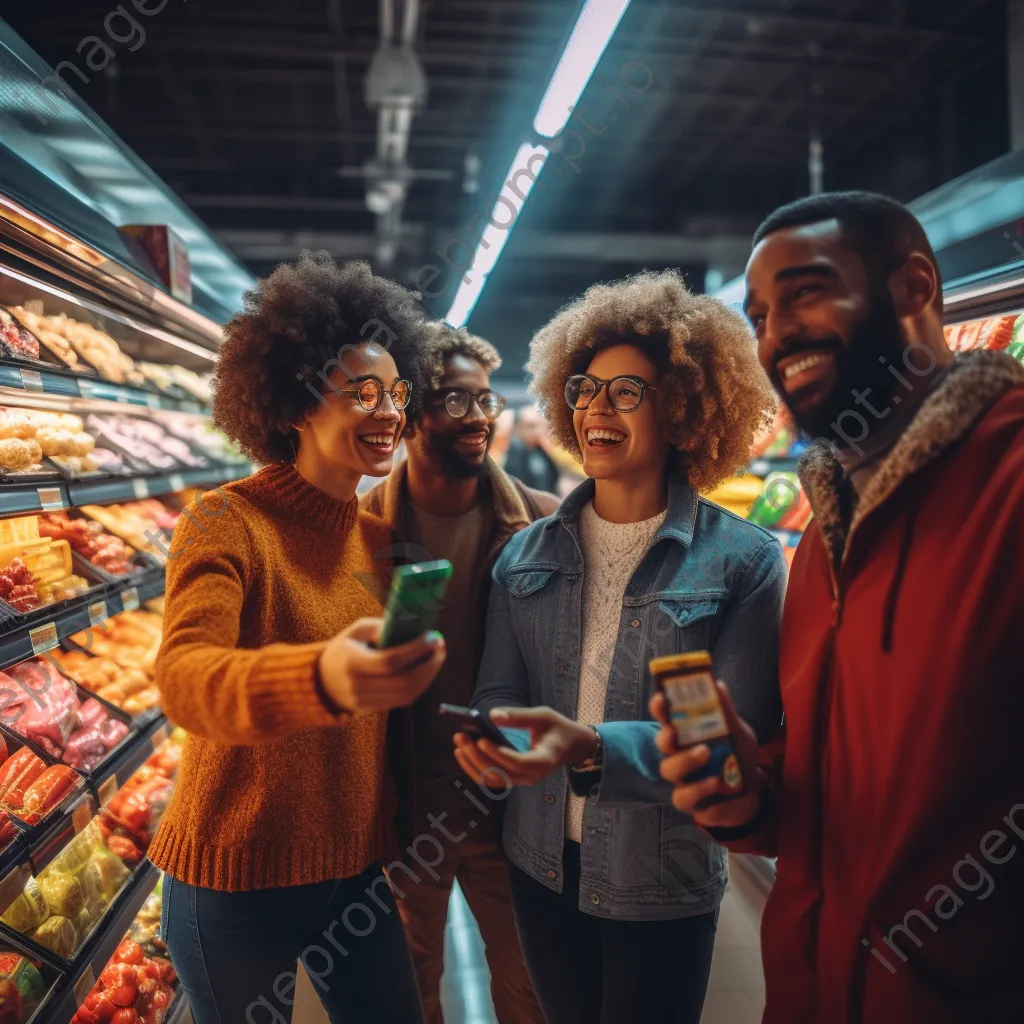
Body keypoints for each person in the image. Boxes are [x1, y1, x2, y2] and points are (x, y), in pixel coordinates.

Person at [655, 192, 1024, 1023]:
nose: (776, 334)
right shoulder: (825, 535)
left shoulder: (1009, 486)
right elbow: (840, 785)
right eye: (758, 315)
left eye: (807, 292)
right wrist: (750, 792)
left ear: (914, 287)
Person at [453, 269, 785, 1024]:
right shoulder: (525, 554)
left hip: (660, 879)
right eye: (585, 390)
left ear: (682, 410)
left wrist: (589, 746)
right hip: (538, 866)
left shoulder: (742, 562)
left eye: (627, 392)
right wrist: (495, 735)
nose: (599, 408)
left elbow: (734, 745)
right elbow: (498, 690)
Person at [149, 253, 446, 1024]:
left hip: (353, 876)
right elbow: (185, 676)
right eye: (361, 391)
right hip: (233, 881)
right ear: (294, 404)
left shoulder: (379, 543)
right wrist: (323, 677)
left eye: (396, 391)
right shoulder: (227, 520)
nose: (387, 412)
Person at [361, 323, 553, 1024]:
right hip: (402, 814)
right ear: (409, 411)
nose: (479, 419)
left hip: (515, 813)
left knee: (532, 996)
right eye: (456, 401)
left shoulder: (544, 526)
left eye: (486, 401)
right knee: (407, 998)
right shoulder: (357, 534)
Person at [504, 405, 560, 493]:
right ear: (517, 428)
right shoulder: (515, 452)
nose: (537, 432)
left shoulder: (540, 449)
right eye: (531, 426)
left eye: (539, 426)